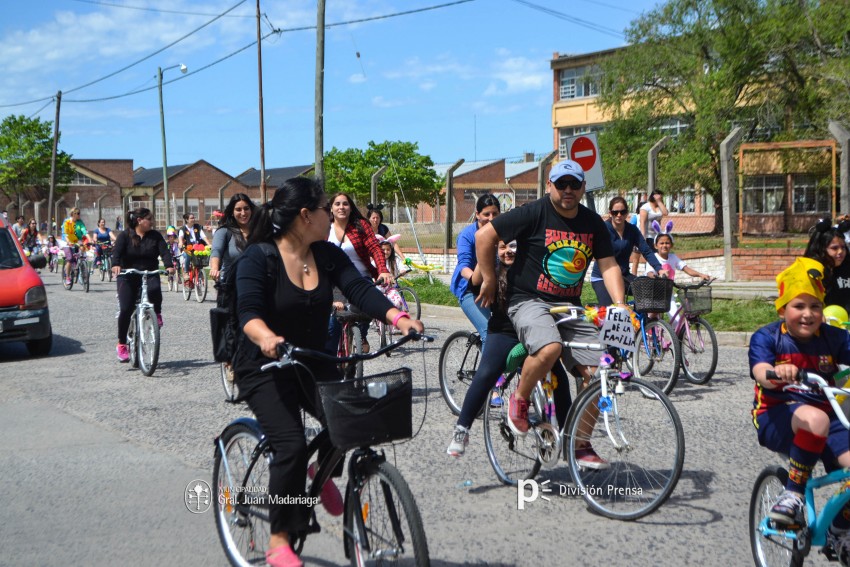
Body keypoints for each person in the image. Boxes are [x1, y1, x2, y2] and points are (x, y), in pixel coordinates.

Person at [232, 177, 423, 567]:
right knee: (290, 445)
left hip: (310, 357)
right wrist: (268, 337)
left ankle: (319, 471)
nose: (339, 212)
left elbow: (359, 289)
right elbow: (248, 314)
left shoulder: (325, 253)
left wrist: (399, 317)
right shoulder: (259, 258)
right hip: (264, 362)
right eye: (325, 207)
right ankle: (278, 540)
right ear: (306, 216)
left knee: (355, 420)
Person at [475, 160, 627, 467]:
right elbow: (483, 237)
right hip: (529, 301)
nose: (568, 190)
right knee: (550, 347)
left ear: (584, 187)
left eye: (574, 184)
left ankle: (580, 444)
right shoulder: (534, 212)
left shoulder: (592, 223)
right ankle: (520, 399)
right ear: (549, 186)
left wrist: (620, 303)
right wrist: (490, 279)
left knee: (601, 371)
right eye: (561, 184)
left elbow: (608, 264)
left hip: (569, 306)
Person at [749, 257, 850, 558]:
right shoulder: (767, 337)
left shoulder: (834, 337)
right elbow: (760, 372)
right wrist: (776, 372)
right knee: (815, 418)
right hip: (776, 416)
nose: (808, 314)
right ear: (782, 309)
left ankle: (839, 530)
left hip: (827, 416)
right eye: (799, 306)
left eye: (815, 306)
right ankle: (792, 496)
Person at [447, 239, 573, 457]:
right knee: (487, 373)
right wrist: (484, 251)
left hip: (534, 332)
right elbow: (474, 283)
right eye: (502, 247)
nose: (508, 252)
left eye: (513, 246)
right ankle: (462, 429)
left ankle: (570, 438)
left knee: (559, 377)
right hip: (504, 332)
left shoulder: (534, 268)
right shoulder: (491, 271)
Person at [327, 192, 393, 354]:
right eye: (337, 204)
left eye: (345, 204)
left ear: (351, 208)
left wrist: (382, 271)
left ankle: (361, 335)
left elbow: (375, 248)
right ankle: (329, 364)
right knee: (333, 323)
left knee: (366, 307)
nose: (341, 207)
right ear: (331, 208)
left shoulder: (361, 225)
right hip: (334, 279)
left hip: (360, 277)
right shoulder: (324, 227)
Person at [111, 208, 174, 362]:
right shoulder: (125, 236)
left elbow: (164, 252)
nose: (152, 222)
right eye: (149, 219)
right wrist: (116, 265)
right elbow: (116, 253)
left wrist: (169, 266)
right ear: (139, 220)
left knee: (154, 290)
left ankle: (156, 314)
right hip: (128, 275)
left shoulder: (155, 236)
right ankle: (122, 344)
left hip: (148, 272)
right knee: (126, 308)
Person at [590, 196, 662, 306]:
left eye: (622, 212)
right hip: (602, 277)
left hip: (624, 275)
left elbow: (646, 251)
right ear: (610, 213)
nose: (619, 215)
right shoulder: (603, 229)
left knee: (648, 293)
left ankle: (644, 322)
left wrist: (659, 269)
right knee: (612, 310)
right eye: (615, 212)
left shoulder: (632, 230)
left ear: (627, 213)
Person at [450, 194, 501, 343]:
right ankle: (487, 367)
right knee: (488, 333)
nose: (491, 218)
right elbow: (463, 266)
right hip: (470, 289)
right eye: (486, 214)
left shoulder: (503, 232)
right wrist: (477, 280)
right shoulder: (467, 235)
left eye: (495, 214)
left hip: (496, 286)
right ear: (477, 214)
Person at [643, 226, 711, 320]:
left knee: (676, 320)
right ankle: (648, 328)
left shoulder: (673, 257)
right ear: (655, 245)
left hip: (668, 293)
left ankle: (676, 334)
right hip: (654, 293)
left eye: (667, 243)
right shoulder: (653, 258)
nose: (664, 245)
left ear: (671, 245)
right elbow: (649, 273)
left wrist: (701, 275)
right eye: (661, 243)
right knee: (652, 317)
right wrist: (657, 276)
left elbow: (686, 268)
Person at [805, 218, 850, 313]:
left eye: (843, 247)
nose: (841, 252)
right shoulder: (812, 273)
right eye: (834, 248)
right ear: (821, 249)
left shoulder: (847, 268)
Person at [209, 194, 256, 285]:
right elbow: (216, 251)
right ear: (232, 212)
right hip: (231, 285)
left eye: (246, 208)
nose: (243, 213)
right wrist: (214, 267)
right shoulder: (224, 232)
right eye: (238, 210)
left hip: (255, 284)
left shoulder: (259, 231)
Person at [178, 213, 208, 286]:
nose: (193, 219)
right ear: (187, 220)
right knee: (188, 255)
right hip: (187, 249)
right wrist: (180, 243)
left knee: (203, 256)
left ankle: (200, 273)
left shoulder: (197, 227)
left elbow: (203, 236)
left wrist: (209, 244)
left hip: (197, 248)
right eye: (191, 218)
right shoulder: (183, 229)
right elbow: (180, 237)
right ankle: (185, 272)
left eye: (194, 218)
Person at [61, 208, 87, 286]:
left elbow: (84, 231)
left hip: (76, 240)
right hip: (66, 242)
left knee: (82, 249)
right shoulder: (67, 222)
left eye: (79, 213)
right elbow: (65, 233)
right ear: (73, 214)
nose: (79, 215)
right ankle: (67, 277)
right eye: (78, 213)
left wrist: (89, 238)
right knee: (70, 259)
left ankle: (81, 267)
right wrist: (68, 241)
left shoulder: (80, 222)